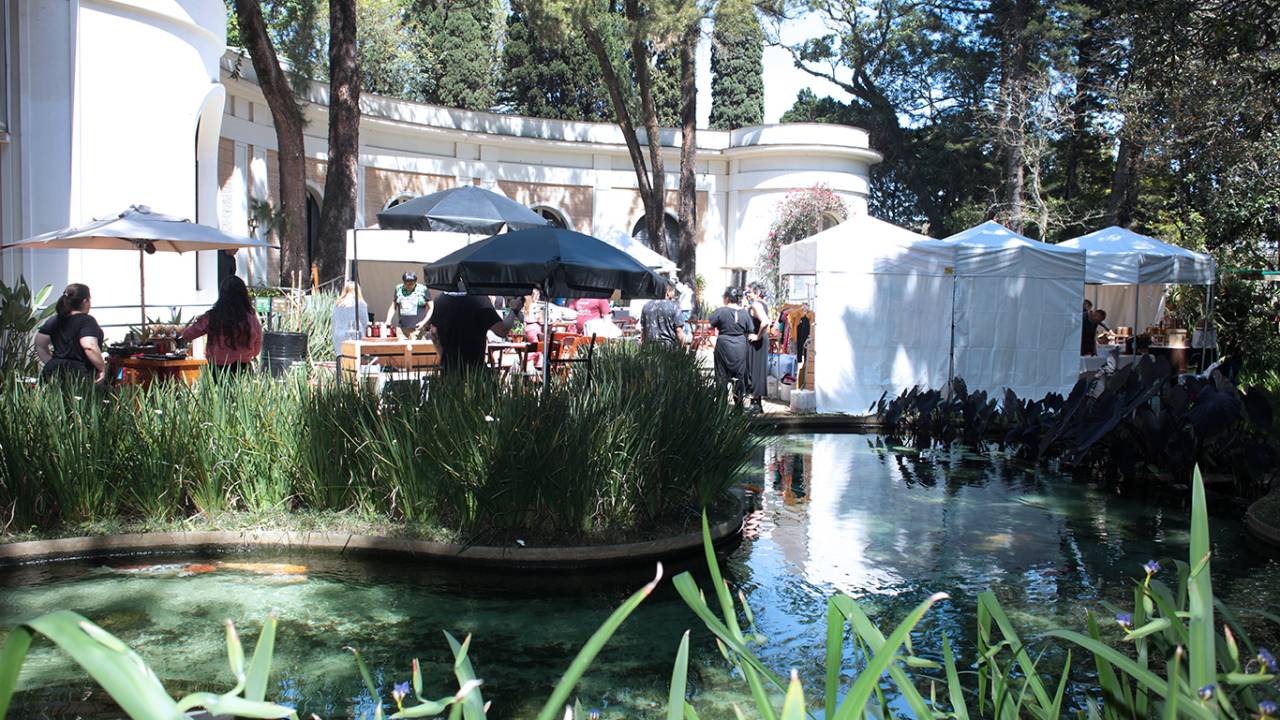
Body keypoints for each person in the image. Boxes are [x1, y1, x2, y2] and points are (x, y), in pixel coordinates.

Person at [181, 275, 263, 376]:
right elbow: (257, 347)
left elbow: (188, 334)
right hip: (243, 366)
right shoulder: (251, 319)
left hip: (218, 368)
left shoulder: (212, 317)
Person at [35, 283, 106, 384]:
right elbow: (89, 346)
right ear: (85, 301)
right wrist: (102, 368)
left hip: (53, 372)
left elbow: (40, 344)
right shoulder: (87, 321)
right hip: (78, 375)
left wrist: (51, 362)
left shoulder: (54, 320)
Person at [430, 292, 522, 370]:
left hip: (449, 369)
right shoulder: (479, 299)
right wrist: (514, 310)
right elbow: (502, 330)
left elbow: (434, 333)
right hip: (475, 369)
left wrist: (443, 357)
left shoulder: (440, 300)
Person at [708, 288, 752, 408]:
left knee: (721, 377)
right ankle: (739, 408)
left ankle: (721, 408)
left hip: (724, 345)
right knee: (739, 377)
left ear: (727, 298)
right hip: (740, 346)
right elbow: (750, 330)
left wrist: (711, 338)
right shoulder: (744, 313)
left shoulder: (721, 311)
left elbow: (708, 326)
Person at [745, 281, 772, 412]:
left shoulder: (756, 304)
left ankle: (755, 404)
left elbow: (766, 321)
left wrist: (758, 336)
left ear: (756, 293)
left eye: (749, 292)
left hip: (757, 341)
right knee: (758, 370)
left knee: (755, 370)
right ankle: (757, 403)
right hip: (760, 340)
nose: (747, 294)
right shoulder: (763, 303)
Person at [386, 271, 431, 339]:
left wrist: (424, 322)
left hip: (417, 329)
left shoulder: (423, 290)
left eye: (411, 284)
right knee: (402, 348)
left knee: (418, 349)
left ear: (415, 282)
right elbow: (393, 306)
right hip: (402, 329)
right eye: (405, 283)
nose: (408, 286)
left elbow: (431, 307)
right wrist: (388, 320)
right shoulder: (399, 288)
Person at [640, 282, 686, 348]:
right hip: (668, 348)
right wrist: (683, 347)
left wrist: (643, 347)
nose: (674, 294)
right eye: (673, 291)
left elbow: (643, 330)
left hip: (650, 347)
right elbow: (679, 330)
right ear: (667, 292)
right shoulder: (674, 306)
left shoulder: (646, 306)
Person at [331, 281, 369, 357]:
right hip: (354, 336)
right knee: (354, 362)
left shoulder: (337, 304)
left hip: (338, 336)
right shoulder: (360, 304)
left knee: (341, 361)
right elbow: (365, 323)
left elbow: (333, 323)